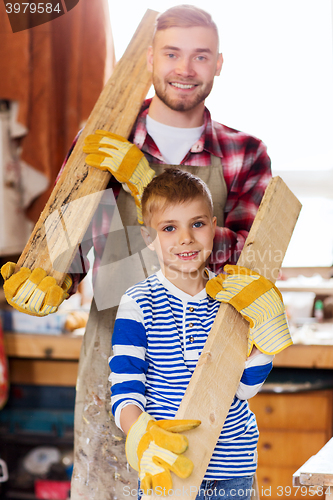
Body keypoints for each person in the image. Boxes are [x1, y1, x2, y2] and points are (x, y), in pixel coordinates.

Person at [1, 5, 273, 499]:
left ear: (218, 64)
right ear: (149, 58)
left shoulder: (244, 152)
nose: (185, 69)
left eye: (200, 55)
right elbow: (71, 250)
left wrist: (147, 181)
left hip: (202, 376)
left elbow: (248, 268)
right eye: (172, 53)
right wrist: (46, 279)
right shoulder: (103, 139)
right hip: (114, 364)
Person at [110, 167, 291, 499]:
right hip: (170, 466)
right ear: (149, 239)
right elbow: (125, 390)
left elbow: (244, 389)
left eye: (197, 223)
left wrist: (267, 342)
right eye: (169, 228)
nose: (185, 239)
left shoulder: (232, 298)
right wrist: (141, 434)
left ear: (213, 226)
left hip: (233, 468)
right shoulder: (138, 303)